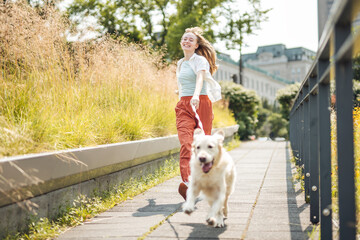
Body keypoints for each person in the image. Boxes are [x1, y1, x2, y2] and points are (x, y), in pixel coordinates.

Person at [175, 27, 222, 200]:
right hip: (184, 106)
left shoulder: (200, 60)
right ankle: (188, 183)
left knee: (203, 145)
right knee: (186, 143)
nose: (186, 41)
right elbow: (182, 83)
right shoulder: (180, 63)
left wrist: (195, 95)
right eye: (184, 39)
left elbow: (200, 78)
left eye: (190, 40)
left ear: (196, 45)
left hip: (200, 102)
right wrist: (181, 95)